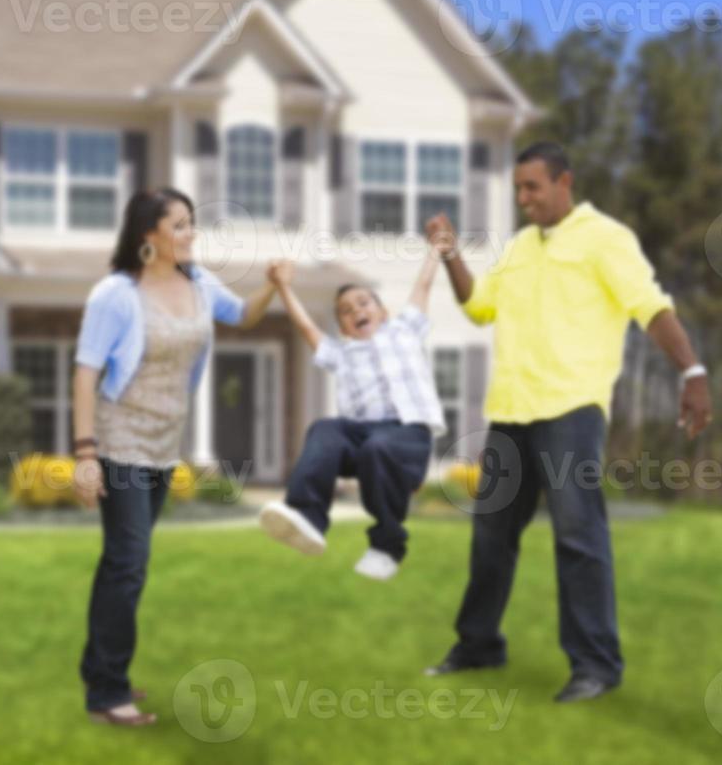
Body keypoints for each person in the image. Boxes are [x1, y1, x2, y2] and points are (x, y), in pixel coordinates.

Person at [423, 141, 712, 704]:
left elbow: (649, 306)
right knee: (490, 540)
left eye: (533, 187)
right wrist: (451, 254)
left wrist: (693, 370)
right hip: (510, 411)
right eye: (518, 190)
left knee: (579, 537)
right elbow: (479, 306)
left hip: (571, 410)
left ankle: (595, 666)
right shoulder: (520, 248)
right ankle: (479, 644)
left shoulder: (607, 239)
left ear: (564, 182)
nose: (524, 199)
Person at [72, 187, 278, 727]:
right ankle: (107, 693)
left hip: (165, 444)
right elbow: (86, 371)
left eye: (191, 224)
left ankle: (102, 672)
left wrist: (273, 288)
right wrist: (86, 453)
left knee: (121, 561)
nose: (192, 233)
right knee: (130, 563)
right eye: (181, 225)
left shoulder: (200, 283)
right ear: (149, 235)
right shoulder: (116, 294)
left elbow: (244, 316)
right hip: (119, 440)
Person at [258, 244, 447, 581]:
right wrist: (283, 287)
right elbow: (307, 329)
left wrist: (436, 251)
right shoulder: (342, 354)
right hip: (362, 438)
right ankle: (308, 517)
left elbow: (422, 287)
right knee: (325, 428)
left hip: (407, 436)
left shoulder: (405, 330)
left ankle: (388, 544)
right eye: (345, 311)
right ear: (343, 328)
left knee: (380, 446)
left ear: (383, 311)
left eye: (363, 303)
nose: (355, 311)